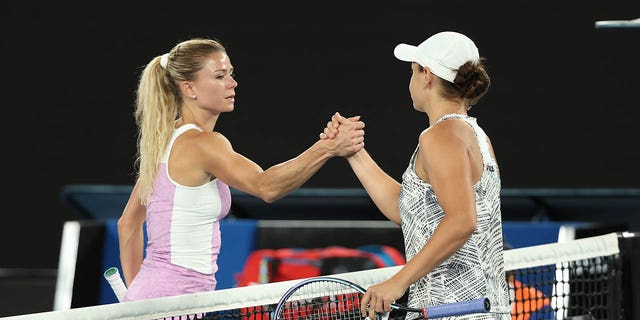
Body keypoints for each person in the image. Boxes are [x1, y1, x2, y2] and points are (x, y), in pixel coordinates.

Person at [117, 37, 365, 302]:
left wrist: (138, 295)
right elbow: (266, 187)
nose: (232, 83)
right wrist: (326, 148)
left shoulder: (165, 139)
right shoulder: (203, 144)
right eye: (220, 76)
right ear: (189, 88)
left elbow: (128, 223)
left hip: (161, 295)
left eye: (231, 74)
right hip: (173, 301)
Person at [322, 31, 511, 319]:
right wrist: (353, 152)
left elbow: (462, 220)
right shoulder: (476, 136)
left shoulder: (439, 137)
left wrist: (397, 282)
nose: (409, 80)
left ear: (427, 76)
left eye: (413, 71)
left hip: (451, 312)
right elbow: (412, 213)